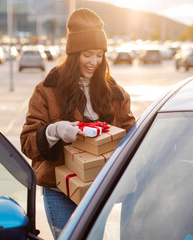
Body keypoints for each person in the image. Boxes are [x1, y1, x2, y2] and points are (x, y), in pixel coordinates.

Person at [20, 8, 136, 239]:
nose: (94, 62)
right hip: (59, 189)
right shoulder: (46, 91)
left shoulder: (116, 94)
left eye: (100, 54)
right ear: (74, 54)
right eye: (87, 54)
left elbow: (132, 138)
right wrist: (53, 131)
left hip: (99, 189)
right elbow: (27, 143)